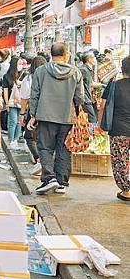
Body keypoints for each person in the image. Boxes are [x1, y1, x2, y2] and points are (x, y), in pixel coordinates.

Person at [28, 42, 84, 195]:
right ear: (66, 54)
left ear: (51, 54)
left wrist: (33, 115)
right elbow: (80, 97)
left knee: (45, 147)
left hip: (45, 116)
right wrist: (77, 111)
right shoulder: (76, 72)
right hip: (67, 117)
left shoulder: (41, 71)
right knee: (64, 149)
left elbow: (34, 94)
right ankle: (61, 183)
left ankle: (48, 178)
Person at [100, 56, 130, 201]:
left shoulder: (113, 86)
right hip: (121, 129)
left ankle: (127, 191)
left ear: (122, 69)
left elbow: (102, 106)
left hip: (119, 130)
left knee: (120, 161)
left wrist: (100, 124)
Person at [20, 56, 47, 176]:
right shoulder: (49, 77)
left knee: (29, 136)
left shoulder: (29, 78)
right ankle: (43, 161)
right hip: (49, 110)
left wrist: (22, 114)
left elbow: (25, 99)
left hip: (34, 110)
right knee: (45, 137)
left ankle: (39, 159)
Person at [1, 56, 24, 146]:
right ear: (14, 65)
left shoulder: (23, 75)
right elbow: (5, 90)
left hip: (21, 102)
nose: (21, 66)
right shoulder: (7, 76)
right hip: (12, 102)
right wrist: (6, 103)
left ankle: (16, 139)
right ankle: (11, 139)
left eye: (21, 64)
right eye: (19, 64)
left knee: (19, 121)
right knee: (13, 121)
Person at [79, 52, 101, 123]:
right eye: (93, 58)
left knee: (91, 118)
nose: (95, 59)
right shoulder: (83, 70)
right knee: (92, 118)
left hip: (87, 97)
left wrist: (102, 85)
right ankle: (91, 133)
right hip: (85, 98)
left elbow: (90, 83)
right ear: (89, 59)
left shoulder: (87, 69)